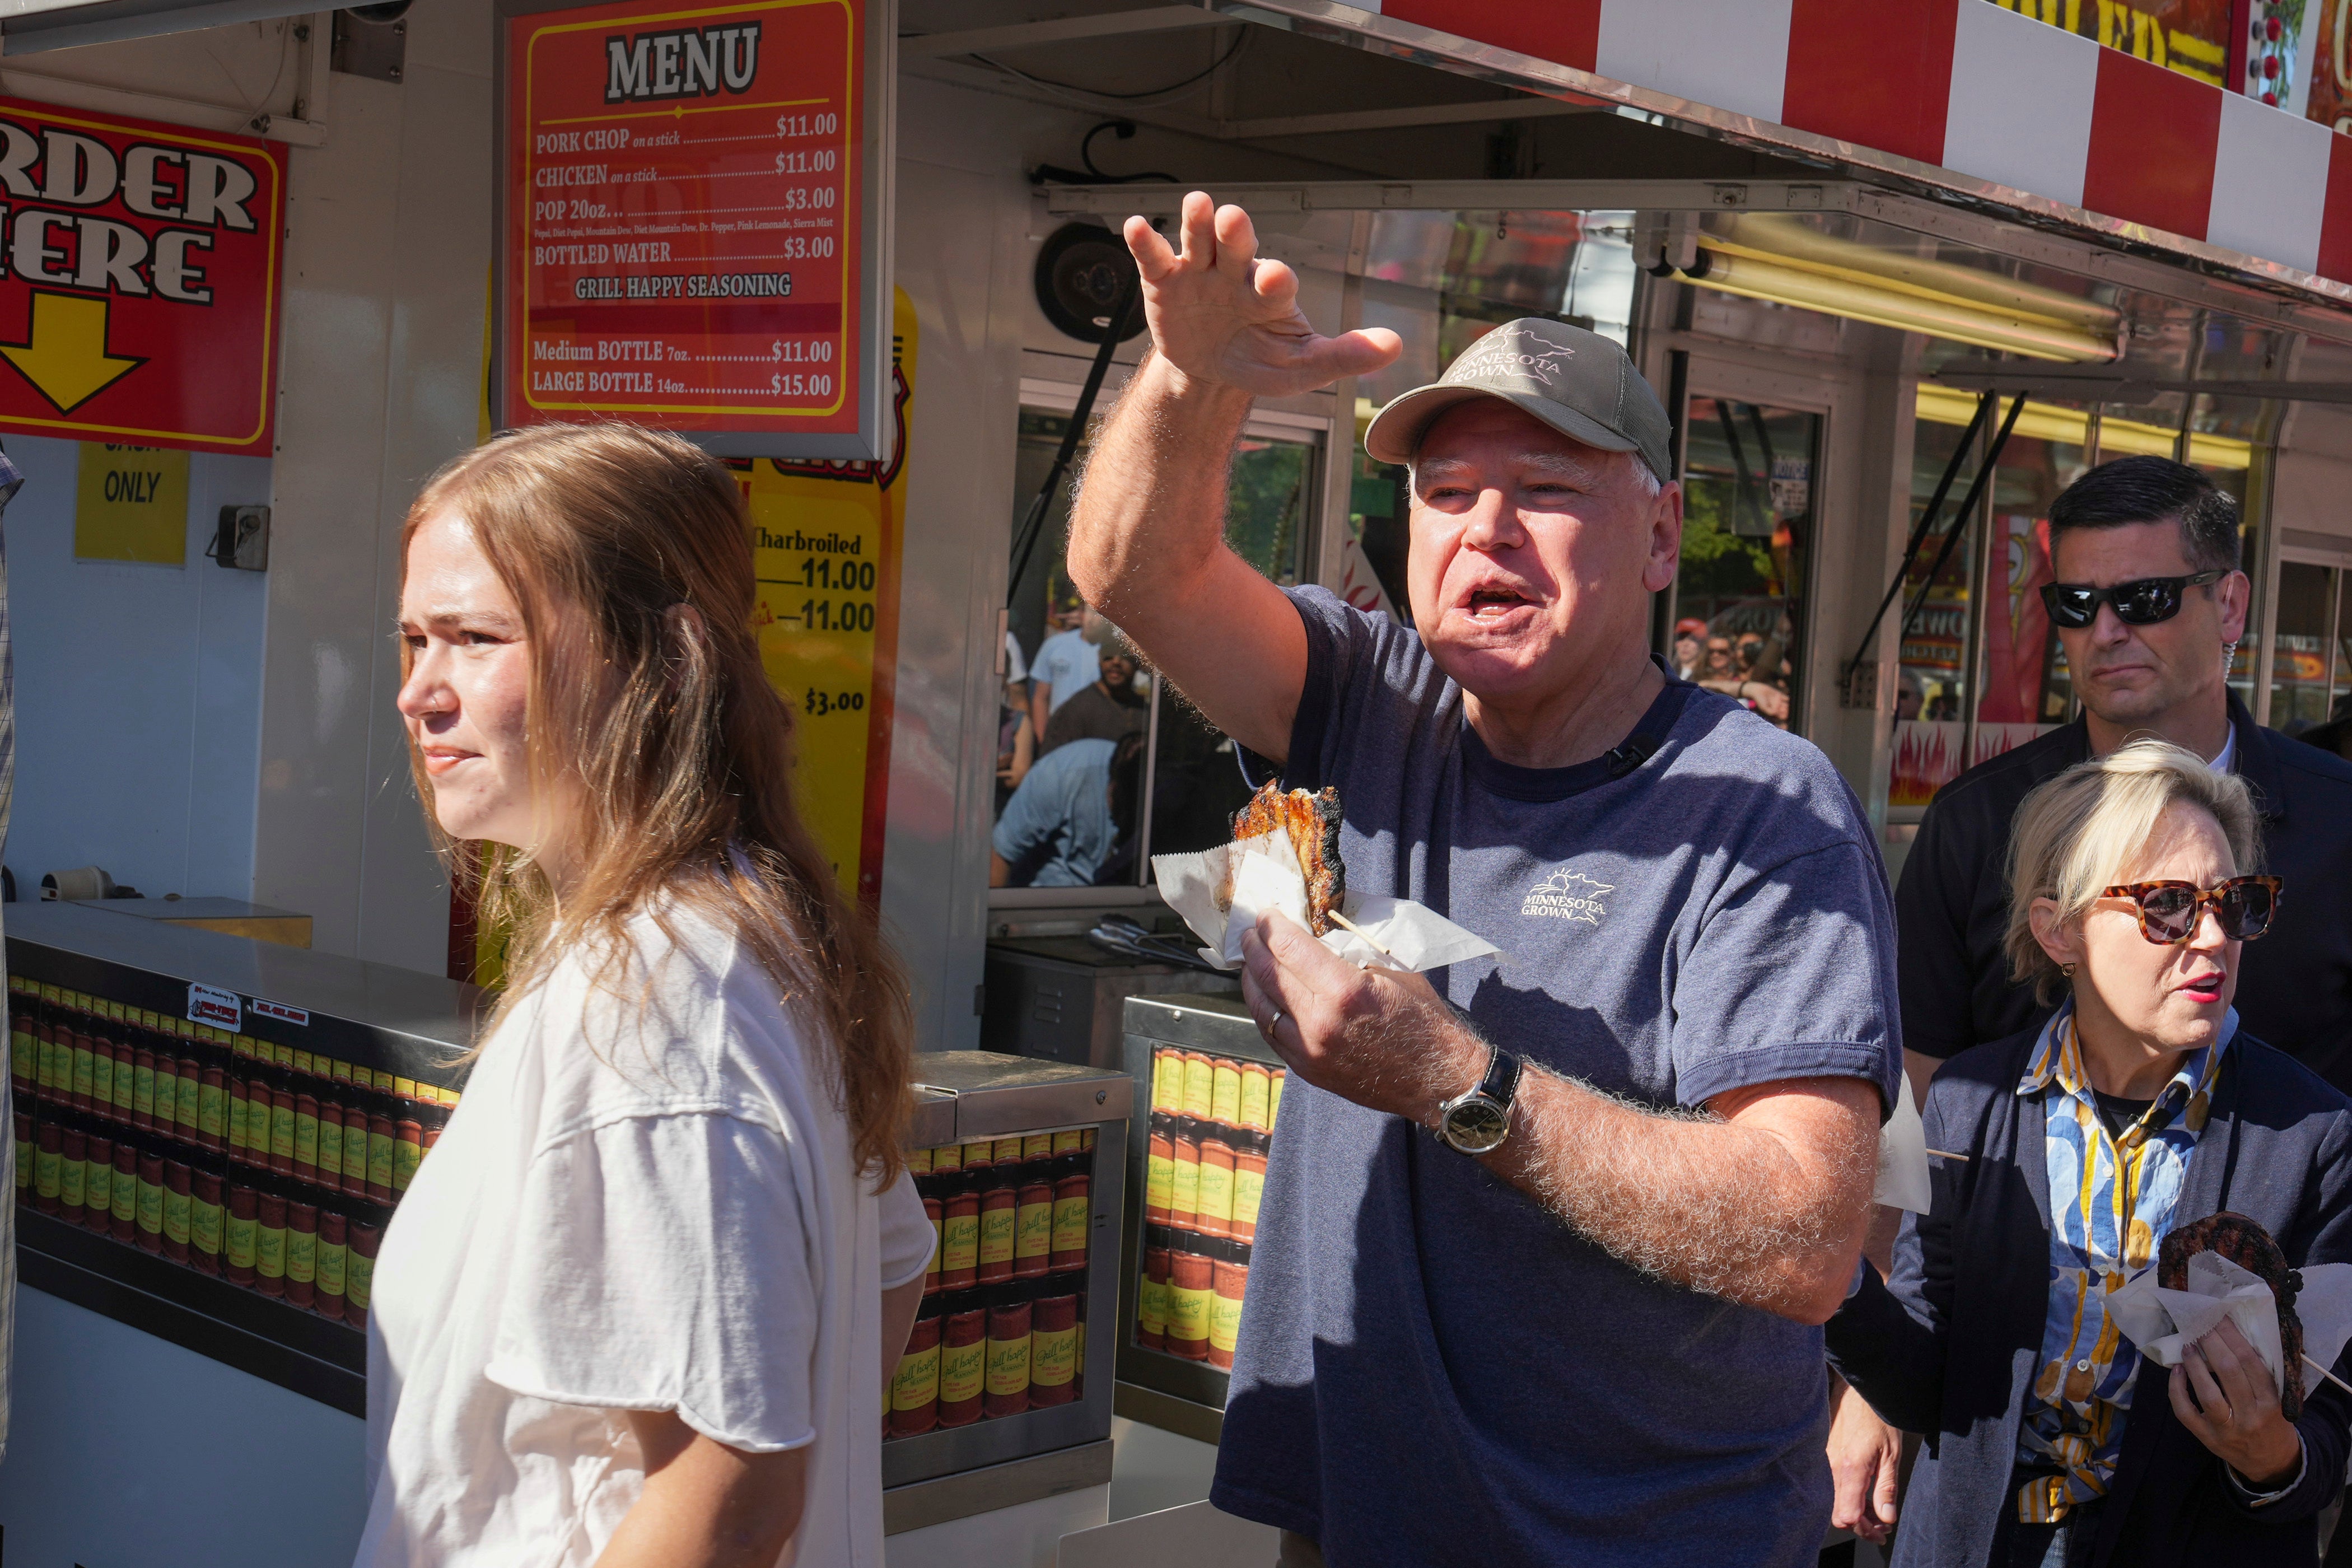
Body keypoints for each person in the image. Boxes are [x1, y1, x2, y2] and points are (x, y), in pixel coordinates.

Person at [1071, 192, 1898, 1566]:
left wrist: (1462, 1084)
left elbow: (1807, 1237)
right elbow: (1133, 571)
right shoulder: (1372, 700)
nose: (1487, 531)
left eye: (1549, 491)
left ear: (1658, 536)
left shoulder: (1764, 807)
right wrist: (1192, 378)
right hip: (1358, 1515)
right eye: (1447, 495)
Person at [359, 423, 933, 1568]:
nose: (420, 691)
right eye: (415, 638)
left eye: (477, 638)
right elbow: (897, 1257)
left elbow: (732, 1487)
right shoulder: (725, 929)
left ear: (651, 663)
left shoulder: (655, 999)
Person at [1838, 455, 2352, 1544]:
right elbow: (1923, 1095)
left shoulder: (2343, 826)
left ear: (2232, 602)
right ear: (2056, 924)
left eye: (2146, 598)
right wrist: (1868, 1365)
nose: (2106, 629)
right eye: (2075, 604)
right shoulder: (1979, 823)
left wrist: (2285, 1436)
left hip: (2246, 1411)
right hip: (1996, 1410)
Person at [989, 729, 1147, 888]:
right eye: (1120, 802)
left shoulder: (1159, 796)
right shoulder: (1058, 775)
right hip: (1046, 899)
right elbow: (1002, 854)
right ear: (1112, 782)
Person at [1039, 634, 1147, 754]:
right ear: (1099, 658)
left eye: (1125, 655)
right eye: (1109, 655)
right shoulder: (1076, 709)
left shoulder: (1146, 710)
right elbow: (1052, 764)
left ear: (1139, 662)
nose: (1116, 662)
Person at [1028, 601, 1112, 738]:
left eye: (1098, 614)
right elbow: (1040, 698)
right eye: (1088, 613)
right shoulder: (1054, 645)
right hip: (1059, 735)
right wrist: (1043, 740)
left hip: (1099, 735)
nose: (1092, 620)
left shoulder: (1113, 652)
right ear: (1081, 614)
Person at [1672, 616, 1706, 680]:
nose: (1686, 644)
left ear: (1702, 644)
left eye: (1693, 639)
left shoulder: (1707, 675)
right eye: (1681, 638)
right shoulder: (1665, 672)